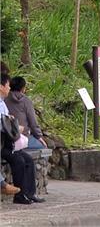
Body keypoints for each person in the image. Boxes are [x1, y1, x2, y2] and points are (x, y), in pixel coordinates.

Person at [1, 73, 44, 204]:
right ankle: (19, 195)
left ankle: (29, 194)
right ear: (1, 87)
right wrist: (15, 127)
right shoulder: (24, 100)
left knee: (28, 159)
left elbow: (6, 121)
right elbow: (4, 124)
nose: (8, 88)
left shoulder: (4, 102)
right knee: (19, 160)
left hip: (10, 142)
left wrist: (12, 123)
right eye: (6, 85)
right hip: (4, 144)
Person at [4, 76, 47, 149]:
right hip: (22, 136)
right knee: (43, 147)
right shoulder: (26, 101)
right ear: (23, 88)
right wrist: (39, 136)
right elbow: (33, 122)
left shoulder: (4, 98)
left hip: (6, 136)